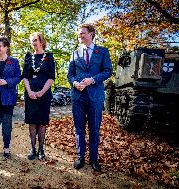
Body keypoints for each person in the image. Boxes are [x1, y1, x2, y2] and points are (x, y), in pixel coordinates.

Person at [67, 24, 112, 171]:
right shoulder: (74, 53)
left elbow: (107, 71)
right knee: (79, 128)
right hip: (78, 97)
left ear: (91, 33)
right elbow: (70, 74)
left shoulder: (103, 52)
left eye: (82, 33)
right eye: (79, 34)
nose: (80, 36)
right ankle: (80, 157)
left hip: (95, 97)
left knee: (94, 129)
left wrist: (91, 80)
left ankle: (94, 159)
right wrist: (74, 83)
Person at [22, 32, 55, 160]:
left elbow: (51, 77)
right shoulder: (28, 57)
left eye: (35, 40)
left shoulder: (49, 56)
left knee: (41, 122)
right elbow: (25, 76)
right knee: (32, 122)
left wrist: (42, 91)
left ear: (41, 41)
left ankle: (41, 150)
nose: (33, 42)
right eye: (32, 41)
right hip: (30, 93)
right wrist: (29, 91)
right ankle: (32, 148)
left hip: (44, 94)